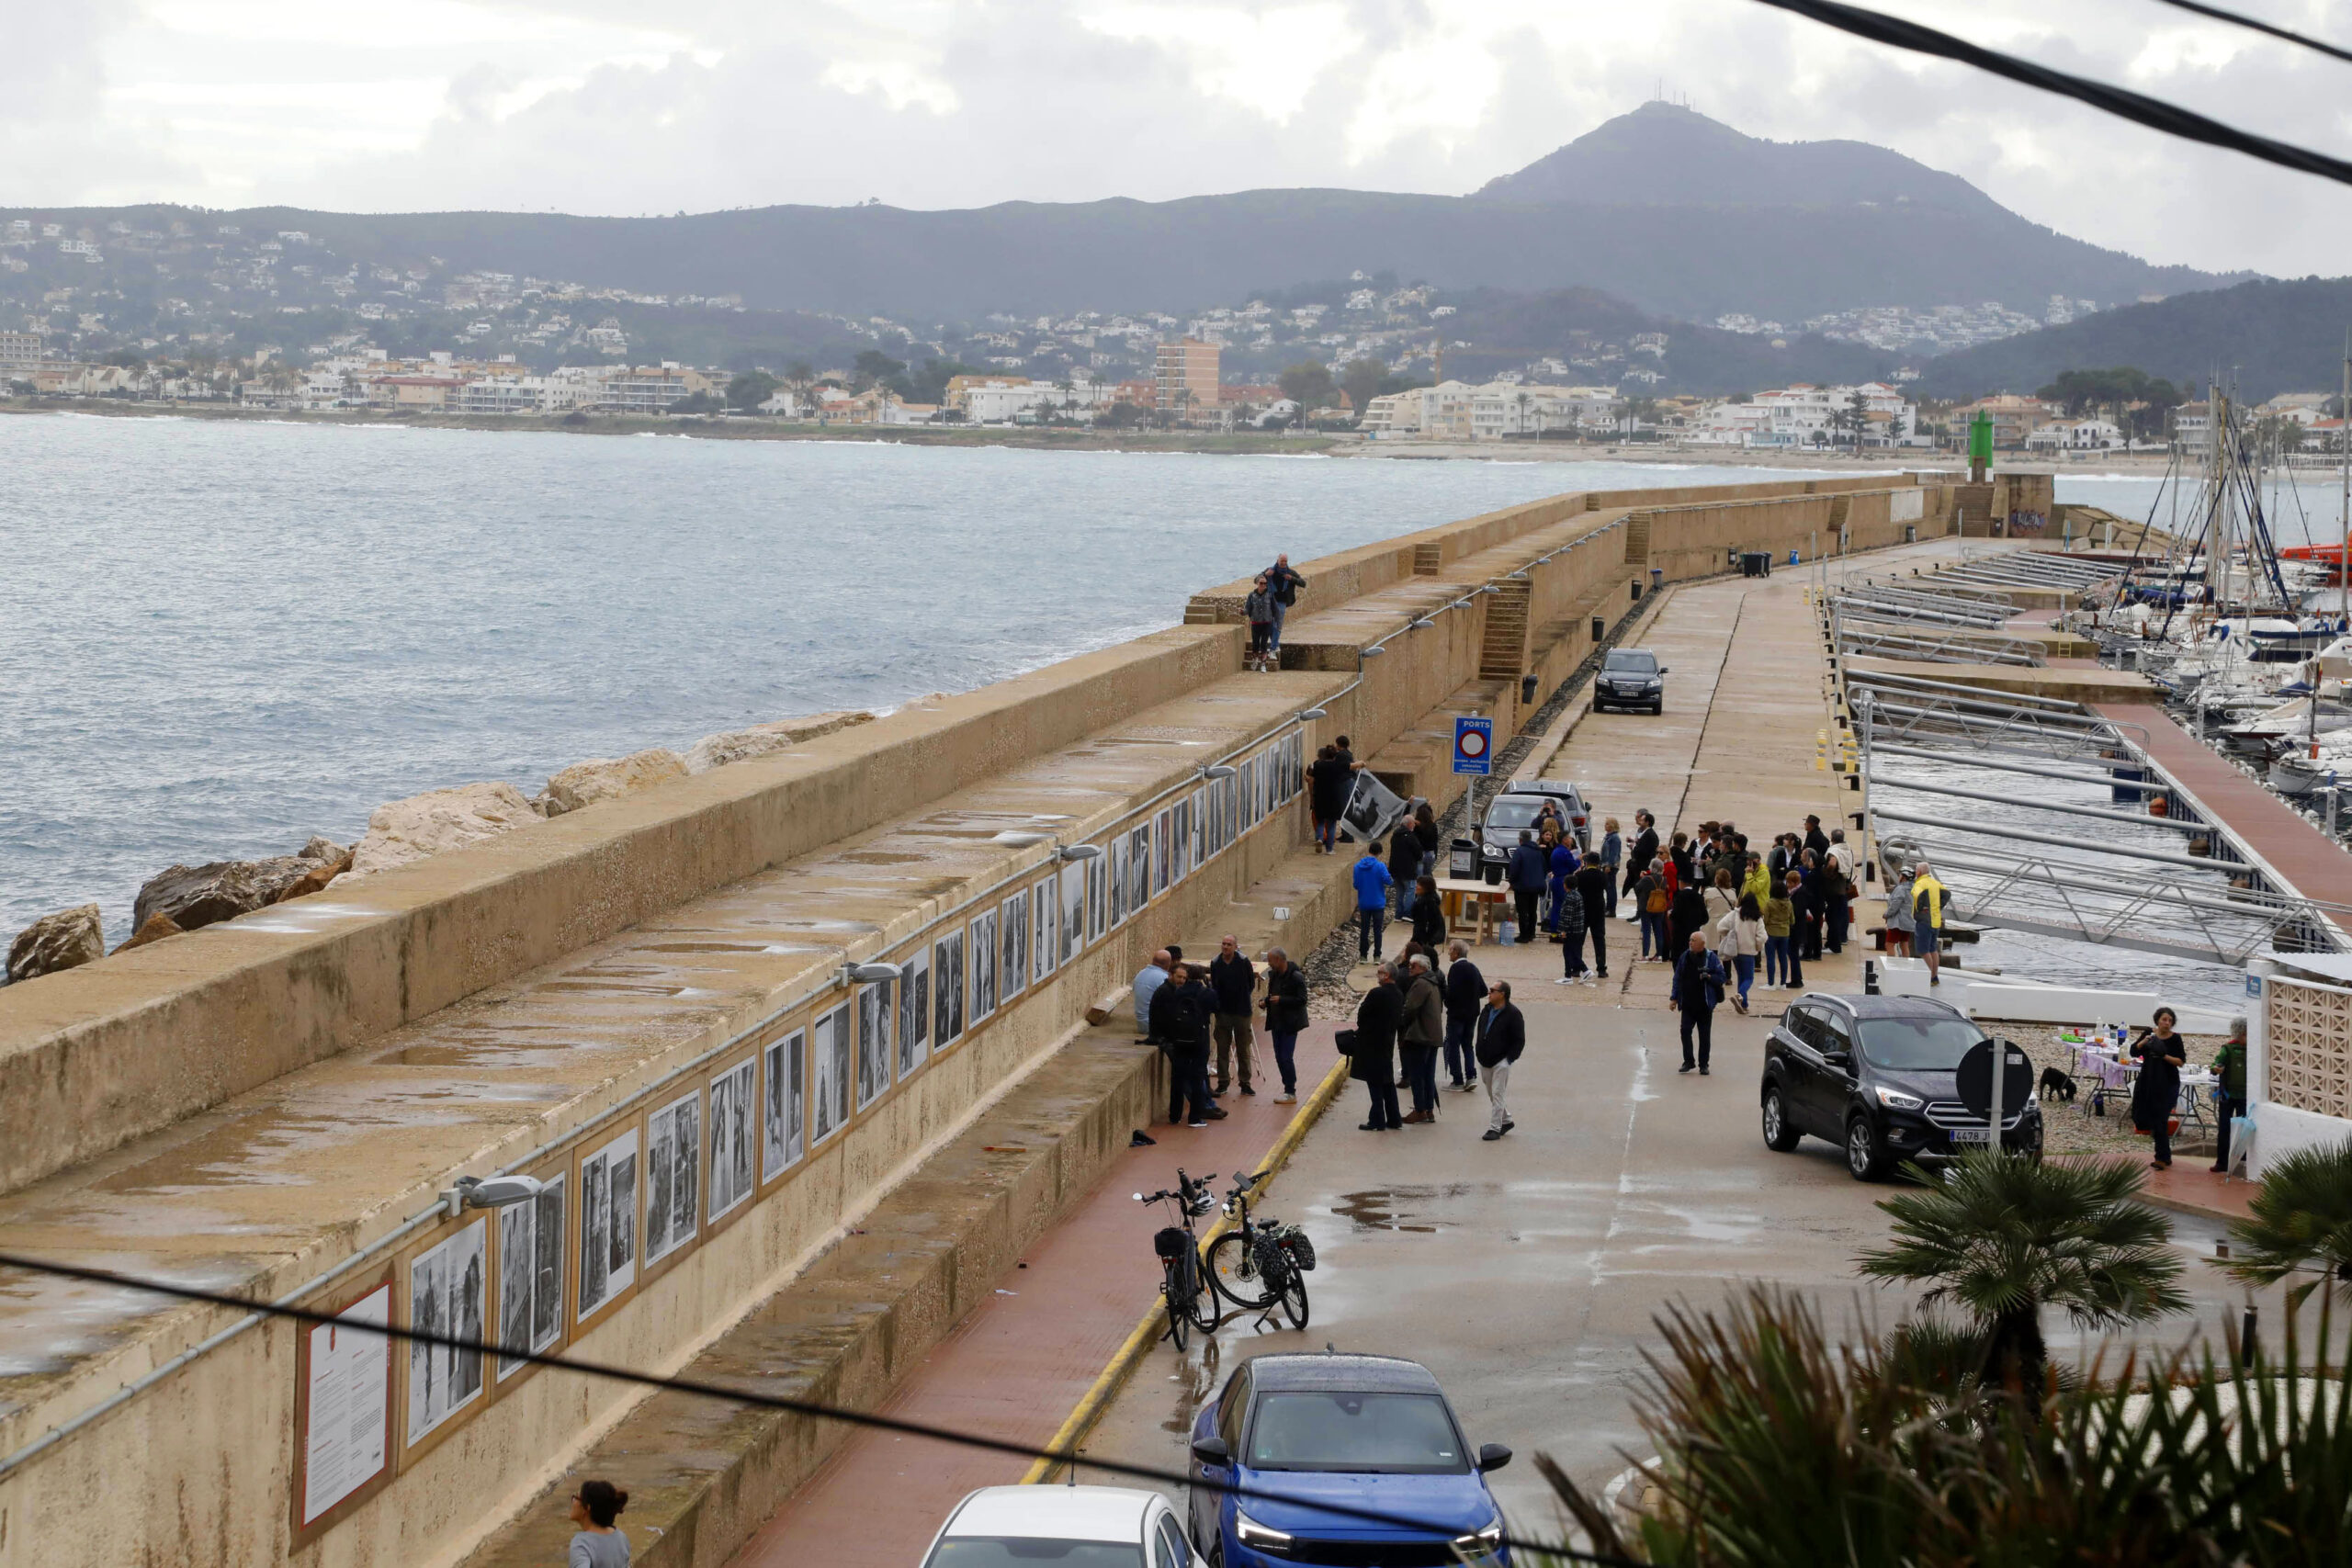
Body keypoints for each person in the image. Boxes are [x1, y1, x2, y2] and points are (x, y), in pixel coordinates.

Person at [1152, 962, 1221, 1126]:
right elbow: (1217, 1007)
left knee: (1178, 1078)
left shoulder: (1178, 991)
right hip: (1199, 1040)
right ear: (1202, 977)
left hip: (1179, 1040)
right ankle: (1195, 1118)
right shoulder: (1206, 993)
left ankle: (1174, 1116)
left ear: (1188, 976)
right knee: (1197, 1078)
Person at [2131, 1006, 2188, 1170]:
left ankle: (2161, 1158)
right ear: (2157, 1020)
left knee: (2161, 1118)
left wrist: (2164, 1056)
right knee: (2147, 1116)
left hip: (2168, 1083)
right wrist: (2145, 1041)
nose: (2167, 1023)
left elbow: (2181, 1061)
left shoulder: (2175, 1039)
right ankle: (2165, 1155)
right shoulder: (2149, 1033)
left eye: (2170, 1020)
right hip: (2148, 1080)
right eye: (2164, 1019)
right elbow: (2133, 1051)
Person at [1351, 963, 1405, 1131]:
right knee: (1387, 1082)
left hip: (1372, 1043)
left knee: (1374, 1083)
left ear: (1388, 975)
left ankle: (1377, 1119)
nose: (1377, 975)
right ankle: (1394, 1118)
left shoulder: (1377, 993)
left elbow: (1362, 1015)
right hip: (1387, 1042)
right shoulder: (1398, 994)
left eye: (1380, 973)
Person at [1207, 934, 1258, 1097]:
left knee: (1243, 1047)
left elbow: (1251, 983)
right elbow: (1214, 985)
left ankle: (1245, 1082)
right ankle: (1223, 1082)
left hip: (1242, 1011)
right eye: (1223, 944)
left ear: (1236, 946)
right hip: (1223, 1012)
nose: (1225, 947)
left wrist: (1241, 998)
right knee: (1222, 1047)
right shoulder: (1215, 963)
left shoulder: (1243, 962)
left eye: (1229, 944)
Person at [1474, 979, 1525, 1141]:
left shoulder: (1513, 1014)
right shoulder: (1487, 1010)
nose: (1489, 993)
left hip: (1501, 1061)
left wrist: (1509, 1059)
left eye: (1492, 990)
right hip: (1485, 1059)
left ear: (1502, 994)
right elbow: (1481, 1029)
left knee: (1497, 1093)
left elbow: (1519, 1039)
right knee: (1491, 1093)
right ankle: (1507, 1120)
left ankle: (1495, 1128)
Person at [1669, 932, 1726, 1075]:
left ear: (1702, 944)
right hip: (1688, 1003)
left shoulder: (1711, 958)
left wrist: (1709, 977)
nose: (1690, 942)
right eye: (1690, 940)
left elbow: (1722, 977)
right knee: (1685, 1031)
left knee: (1704, 1035)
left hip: (1705, 1005)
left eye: (1693, 940)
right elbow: (1677, 978)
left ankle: (1703, 1064)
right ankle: (1688, 1061)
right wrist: (1674, 998)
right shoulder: (1684, 957)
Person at [1398, 955, 1444, 1122]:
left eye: (1414, 965)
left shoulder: (1421, 984)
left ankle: (1420, 1109)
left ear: (1422, 968)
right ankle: (1428, 1109)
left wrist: (1401, 1024)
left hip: (1421, 1036)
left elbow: (1410, 1008)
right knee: (1428, 1074)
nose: (1410, 968)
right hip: (1432, 1036)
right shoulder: (1433, 983)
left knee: (1417, 1074)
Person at [1442, 939, 1486, 1089]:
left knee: (1453, 1045)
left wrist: (1447, 1000)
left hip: (1456, 1014)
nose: (1448, 952)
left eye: (1451, 950)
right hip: (1472, 1014)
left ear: (1456, 952)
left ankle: (1458, 1079)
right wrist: (1471, 998)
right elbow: (1484, 990)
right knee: (1467, 1045)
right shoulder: (1473, 968)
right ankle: (1471, 1076)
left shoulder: (1455, 969)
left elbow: (1451, 992)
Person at [2211, 1016, 2248, 1174]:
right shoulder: (2228, 1048)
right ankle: (2222, 1162)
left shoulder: (2253, 1049)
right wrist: (2216, 1069)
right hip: (2228, 1095)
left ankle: (2243, 1161)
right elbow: (2215, 1065)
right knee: (2225, 1129)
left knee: (2244, 1129)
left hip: (2245, 1096)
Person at [1716, 893, 1765, 1013]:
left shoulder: (1734, 914)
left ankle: (1744, 1004)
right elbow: (1762, 937)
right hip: (1749, 951)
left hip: (1735, 950)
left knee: (1741, 977)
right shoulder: (1757, 918)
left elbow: (1720, 927)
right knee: (1749, 978)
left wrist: (1728, 934)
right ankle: (1739, 996)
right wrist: (1758, 947)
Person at [570, 1480, 631, 1568]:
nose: (573, 1501)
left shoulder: (582, 1544)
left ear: (587, 1507)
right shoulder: (621, 1538)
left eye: (576, 1497)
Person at [1352, 841, 1394, 960]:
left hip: (1364, 902)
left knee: (1364, 930)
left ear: (1369, 850)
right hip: (1378, 902)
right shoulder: (1380, 866)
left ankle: (1363, 955)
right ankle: (1376, 956)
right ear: (1379, 852)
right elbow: (1389, 881)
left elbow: (1356, 885)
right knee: (1377, 930)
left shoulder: (1357, 866)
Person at [1507, 829, 1548, 944]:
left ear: (1520, 840)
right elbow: (1544, 868)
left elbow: (1514, 869)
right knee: (1532, 910)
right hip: (1535, 887)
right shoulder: (1538, 851)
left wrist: (1511, 881)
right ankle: (1531, 933)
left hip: (1522, 887)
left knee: (1522, 912)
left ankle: (1524, 935)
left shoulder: (1519, 851)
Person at [1911, 858, 1949, 985]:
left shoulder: (1920, 883)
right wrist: (1939, 906)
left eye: (1916, 870)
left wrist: (1921, 908)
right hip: (1935, 920)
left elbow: (1917, 895)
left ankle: (1931, 977)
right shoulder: (1935, 882)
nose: (1915, 872)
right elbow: (1947, 894)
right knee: (1933, 949)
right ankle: (1935, 976)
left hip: (1924, 921)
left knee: (1923, 950)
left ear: (1920, 872)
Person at [1576, 851, 1611, 979]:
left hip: (1583, 909)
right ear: (1598, 863)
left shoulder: (1580, 875)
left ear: (1587, 862)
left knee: (1579, 939)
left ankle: (1576, 967)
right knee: (1599, 940)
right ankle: (1601, 968)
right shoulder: (1603, 876)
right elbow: (1606, 886)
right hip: (1598, 910)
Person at [1308, 744, 1349, 852]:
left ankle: (1320, 838)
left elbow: (1311, 779)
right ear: (1334, 756)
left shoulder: (1317, 764)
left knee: (1320, 821)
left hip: (1320, 796)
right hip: (1334, 798)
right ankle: (1329, 849)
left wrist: (1311, 797)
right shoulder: (1337, 766)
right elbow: (1350, 767)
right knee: (1331, 824)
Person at [1263, 552, 1306, 651]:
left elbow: (1303, 583)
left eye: (1285, 561)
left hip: (1282, 602)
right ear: (1277, 560)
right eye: (1282, 561)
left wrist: (1292, 579)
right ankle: (1276, 644)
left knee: (1278, 624)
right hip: (1270, 601)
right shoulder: (1270, 571)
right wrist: (1265, 575)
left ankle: (1273, 647)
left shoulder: (1290, 573)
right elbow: (1256, 580)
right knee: (1269, 624)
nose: (1283, 563)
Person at [1825, 829, 1856, 954]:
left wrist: (1826, 873)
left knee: (1832, 918)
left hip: (1833, 888)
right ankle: (1842, 938)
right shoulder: (1848, 849)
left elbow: (1832, 864)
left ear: (1832, 838)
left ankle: (1834, 945)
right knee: (1842, 914)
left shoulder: (1834, 850)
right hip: (1843, 886)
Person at [1555, 873, 1589, 985]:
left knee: (1569, 952)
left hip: (1571, 930)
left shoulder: (1570, 897)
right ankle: (1572, 974)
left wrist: (1563, 930)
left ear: (1565, 885)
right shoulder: (1578, 895)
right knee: (1573, 951)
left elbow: (1568, 916)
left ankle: (1581, 971)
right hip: (1578, 928)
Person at [1131, 950, 1172, 1042]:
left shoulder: (1140, 974)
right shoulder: (1163, 979)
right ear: (1169, 964)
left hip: (1141, 1024)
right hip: (1152, 1026)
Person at [1762, 877, 1795, 988]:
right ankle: (1783, 983)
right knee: (1783, 959)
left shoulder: (1769, 903)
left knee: (1771, 958)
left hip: (1771, 933)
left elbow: (1765, 920)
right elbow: (1792, 920)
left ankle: (1771, 983)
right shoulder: (1789, 903)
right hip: (1785, 933)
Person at [1627, 811, 1660, 920]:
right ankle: (1640, 912)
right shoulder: (1645, 833)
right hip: (1639, 866)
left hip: (1643, 866)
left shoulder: (1650, 834)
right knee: (1638, 889)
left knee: (1641, 891)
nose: (1639, 821)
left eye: (1642, 820)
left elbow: (1643, 851)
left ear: (1647, 822)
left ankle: (1641, 913)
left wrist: (1634, 847)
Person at [1780, 872, 1810, 989]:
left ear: (1795, 882)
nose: (1787, 885)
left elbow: (1797, 911)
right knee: (1793, 955)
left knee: (1793, 955)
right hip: (1795, 928)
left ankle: (1796, 980)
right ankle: (1797, 978)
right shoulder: (1795, 892)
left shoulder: (1800, 893)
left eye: (1789, 882)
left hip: (1796, 929)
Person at [1668, 880, 1708, 967]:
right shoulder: (1698, 896)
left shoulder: (1680, 896)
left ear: (1681, 882)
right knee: (1692, 960)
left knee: (1678, 959)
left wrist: (1670, 915)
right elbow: (1705, 917)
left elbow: (1676, 914)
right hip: (1694, 933)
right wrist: (1696, 923)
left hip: (1680, 933)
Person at [1243, 574, 1278, 671]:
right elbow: (1248, 608)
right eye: (1261, 583)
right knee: (1255, 644)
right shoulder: (1252, 595)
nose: (1263, 585)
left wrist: (1277, 621)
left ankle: (1263, 664)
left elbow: (1275, 608)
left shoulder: (1270, 595)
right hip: (1255, 623)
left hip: (1267, 623)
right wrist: (1243, 612)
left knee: (1264, 644)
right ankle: (1255, 660)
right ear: (1257, 584)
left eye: (1265, 583)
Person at [1637, 858, 1670, 960]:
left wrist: (1642, 877)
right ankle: (1659, 955)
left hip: (1647, 907)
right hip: (1659, 908)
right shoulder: (1664, 879)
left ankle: (1645, 955)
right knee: (1658, 931)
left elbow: (1637, 888)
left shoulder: (1647, 879)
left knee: (1646, 931)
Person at [1388, 828, 1424, 921]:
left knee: (1400, 893)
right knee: (1410, 891)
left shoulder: (1394, 836)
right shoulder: (1411, 837)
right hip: (1408, 870)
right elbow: (1419, 854)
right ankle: (1407, 914)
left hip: (1395, 870)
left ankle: (1398, 915)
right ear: (1410, 824)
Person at [1883, 863, 1916, 956]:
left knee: (1889, 944)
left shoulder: (1901, 889)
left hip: (1897, 923)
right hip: (1908, 921)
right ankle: (1905, 965)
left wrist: (1886, 915)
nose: (1899, 876)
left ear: (1904, 877)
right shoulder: (1913, 889)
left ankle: (1891, 966)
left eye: (1900, 874)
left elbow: (1894, 906)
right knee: (1904, 944)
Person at [1702, 868, 1738, 952]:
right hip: (1726, 924)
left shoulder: (1708, 892)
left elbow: (1704, 906)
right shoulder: (1732, 893)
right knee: (1726, 954)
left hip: (1711, 925)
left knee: (1712, 952)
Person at [1410, 875, 1446, 954]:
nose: (1416, 886)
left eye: (1419, 885)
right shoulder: (1431, 900)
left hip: (1424, 938)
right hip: (1428, 938)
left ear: (1425, 888)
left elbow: (1423, 924)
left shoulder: (1424, 903)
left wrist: (1415, 941)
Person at [1600, 817, 1623, 915]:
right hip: (1605, 864)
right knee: (1607, 887)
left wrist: (1609, 865)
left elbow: (1613, 853)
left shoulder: (1614, 838)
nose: (1606, 826)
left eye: (1608, 824)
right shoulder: (1608, 837)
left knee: (1610, 887)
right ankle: (1608, 907)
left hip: (1611, 866)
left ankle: (1611, 909)